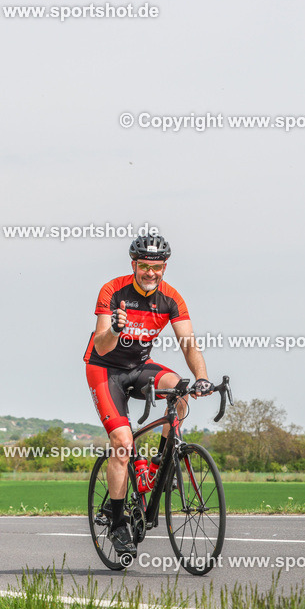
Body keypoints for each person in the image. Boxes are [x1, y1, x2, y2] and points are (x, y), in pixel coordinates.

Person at [83, 235, 213, 557]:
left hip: (139, 366)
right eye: (144, 266)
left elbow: (188, 344)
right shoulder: (113, 291)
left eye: (157, 268)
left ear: (164, 267)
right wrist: (115, 329)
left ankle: (160, 464)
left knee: (180, 392)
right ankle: (117, 522)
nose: (150, 273)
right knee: (122, 443)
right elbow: (101, 346)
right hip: (105, 370)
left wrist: (201, 378)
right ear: (134, 265)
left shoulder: (171, 298)